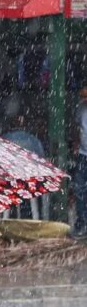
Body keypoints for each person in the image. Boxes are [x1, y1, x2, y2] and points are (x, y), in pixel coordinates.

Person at [73, 88, 87, 238]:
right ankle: (82, 222)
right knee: (79, 188)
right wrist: (76, 144)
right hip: (83, 154)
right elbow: (77, 127)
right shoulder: (81, 108)